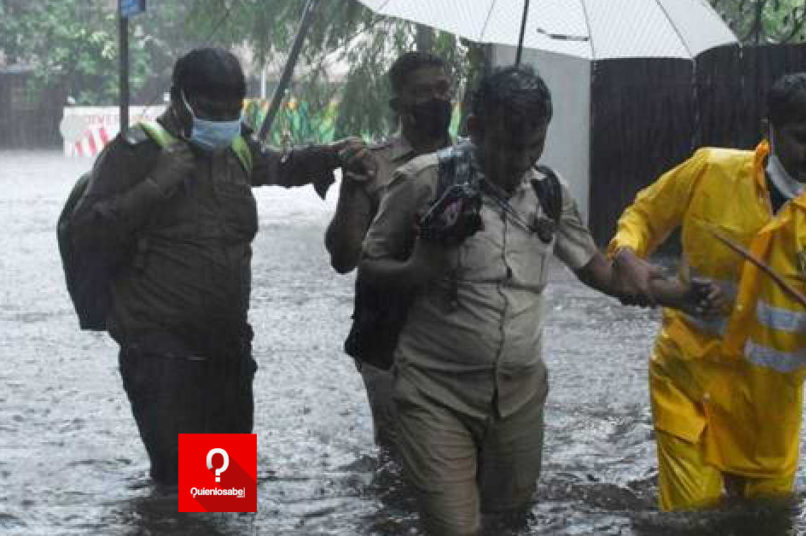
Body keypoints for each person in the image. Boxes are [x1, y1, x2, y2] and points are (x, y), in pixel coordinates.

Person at [609, 72, 806, 510]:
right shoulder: (710, 171)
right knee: (692, 517)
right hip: (688, 386)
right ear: (769, 129)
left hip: (769, 413)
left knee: (767, 518)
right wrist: (626, 253)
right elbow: (644, 214)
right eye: (804, 138)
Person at [358, 65, 626, 535]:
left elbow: (597, 268)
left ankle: (205, 512)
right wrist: (417, 268)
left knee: (507, 521)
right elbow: (358, 259)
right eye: (507, 146)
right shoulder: (422, 179)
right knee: (453, 526)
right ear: (475, 129)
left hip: (517, 396)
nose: (520, 160)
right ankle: (200, 511)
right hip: (434, 390)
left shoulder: (547, 191)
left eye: (533, 146)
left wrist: (662, 289)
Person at [66, 48, 347, 486]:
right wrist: (157, 183)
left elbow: (279, 166)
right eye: (211, 110)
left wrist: (331, 155)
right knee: (177, 489)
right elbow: (88, 230)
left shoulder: (236, 145)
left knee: (222, 488)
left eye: (233, 109)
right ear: (179, 100)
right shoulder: (136, 151)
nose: (223, 119)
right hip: (160, 354)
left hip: (226, 347)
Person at [324, 51, 453, 458]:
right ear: (398, 105)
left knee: (461, 454)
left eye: (442, 89)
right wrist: (350, 188)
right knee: (399, 458)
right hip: (388, 335)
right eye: (421, 92)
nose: (436, 99)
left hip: (460, 330)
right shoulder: (374, 166)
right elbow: (343, 258)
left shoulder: (476, 162)